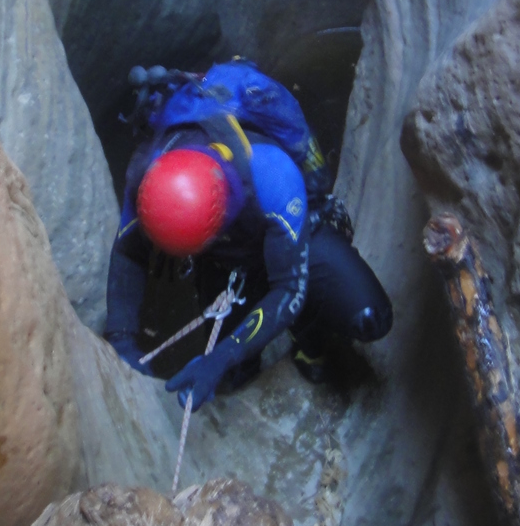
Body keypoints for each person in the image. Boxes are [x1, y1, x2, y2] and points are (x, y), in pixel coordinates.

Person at [105, 59, 392, 411]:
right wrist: (122, 340)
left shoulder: (272, 174)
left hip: (284, 231)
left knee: (369, 316)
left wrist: (221, 356)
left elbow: (289, 287)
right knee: (237, 373)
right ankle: (245, 355)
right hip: (222, 261)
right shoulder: (146, 175)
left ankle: (309, 337)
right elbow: (128, 252)